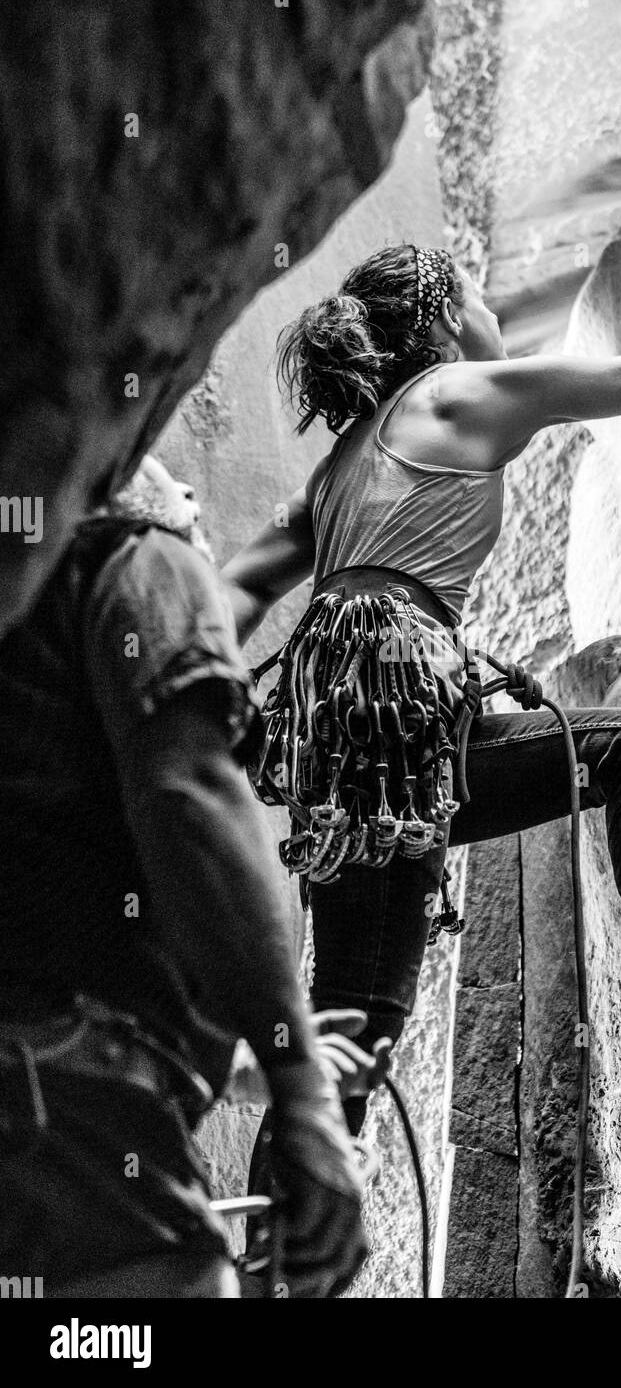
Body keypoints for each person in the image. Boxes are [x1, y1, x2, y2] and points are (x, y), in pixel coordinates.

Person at [221, 244, 621, 1133]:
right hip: (402, 732)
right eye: (477, 297)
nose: (494, 319)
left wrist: (189, 698)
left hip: (353, 768)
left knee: (352, 1031)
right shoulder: (459, 392)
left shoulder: (334, 471)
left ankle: (275, 1248)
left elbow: (236, 587)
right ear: (441, 314)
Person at [0, 455, 370, 1298]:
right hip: (59, 1108)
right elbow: (189, 792)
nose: (196, 497)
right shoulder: (136, 560)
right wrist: (302, 1090)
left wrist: (246, 1055)